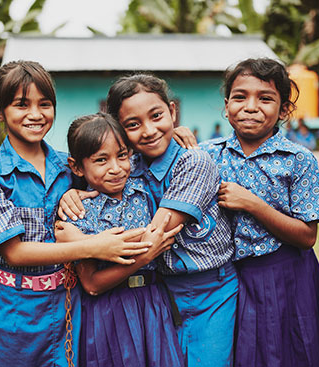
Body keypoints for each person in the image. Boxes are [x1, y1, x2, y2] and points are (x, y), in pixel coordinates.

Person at [0, 60, 152, 367]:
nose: (35, 114)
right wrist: (94, 246)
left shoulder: (71, 166)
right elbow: (16, 252)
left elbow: (131, 164)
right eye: (21, 104)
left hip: (76, 306)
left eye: (44, 104)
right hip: (19, 314)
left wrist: (177, 134)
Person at [61, 74, 238, 367]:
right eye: (133, 124)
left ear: (173, 111)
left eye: (157, 116)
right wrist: (71, 198)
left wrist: (78, 241)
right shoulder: (130, 167)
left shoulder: (194, 162)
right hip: (160, 293)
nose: (149, 130)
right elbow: (84, 160)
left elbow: (155, 235)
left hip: (209, 291)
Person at [200, 58, 319, 367]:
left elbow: (307, 236)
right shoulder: (207, 155)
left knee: (293, 349)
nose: (251, 106)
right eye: (240, 97)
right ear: (226, 106)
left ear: (283, 110)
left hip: (288, 275)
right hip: (227, 279)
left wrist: (253, 204)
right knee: (239, 352)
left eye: (265, 98)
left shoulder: (298, 160)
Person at [56, 112, 185, 367]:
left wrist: (181, 134)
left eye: (122, 155)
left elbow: (162, 149)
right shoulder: (80, 213)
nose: (116, 168)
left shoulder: (144, 187)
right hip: (108, 311)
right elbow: (91, 284)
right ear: (77, 167)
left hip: (152, 303)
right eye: (101, 160)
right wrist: (143, 258)